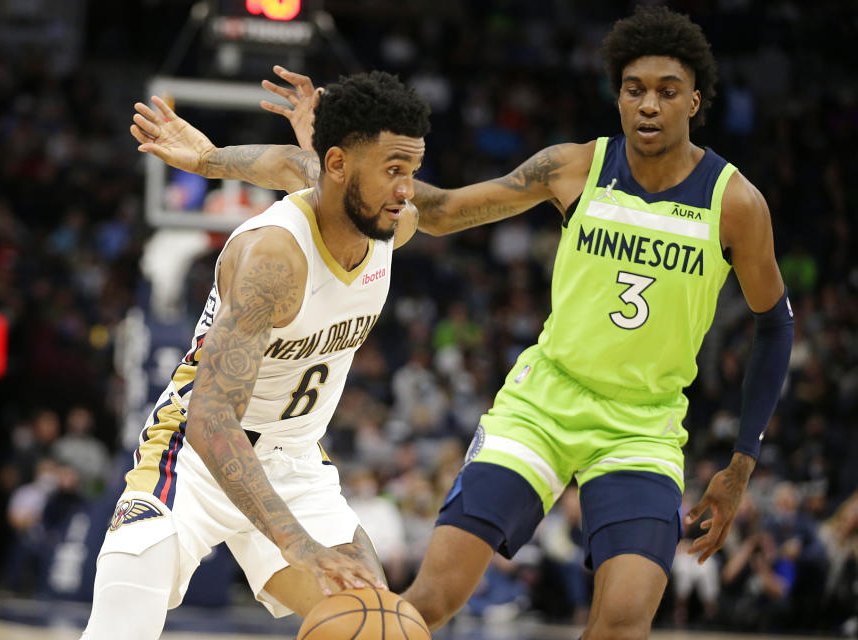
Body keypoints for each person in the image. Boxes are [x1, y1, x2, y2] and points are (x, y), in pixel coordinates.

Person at [143, 7, 794, 637]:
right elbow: (444, 210)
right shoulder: (574, 167)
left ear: (695, 101)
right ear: (618, 97)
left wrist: (740, 466)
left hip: (642, 427)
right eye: (634, 90)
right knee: (420, 606)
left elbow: (775, 325)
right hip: (542, 405)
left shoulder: (734, 203)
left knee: (623, 625)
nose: (648, 104)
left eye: (666, 91)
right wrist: (336, 149)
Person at [81, 71, 430, 639]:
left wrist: (558, 189)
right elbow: (211, 419)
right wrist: (300, 546)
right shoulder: (273, 255)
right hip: (194, 455)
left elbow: (293, 164)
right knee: (120, 628)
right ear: (339, 166)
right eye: (394, 172)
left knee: (377, 628)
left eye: (411, 173)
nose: (408, 191)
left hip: (294, 462)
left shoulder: (391, 225)